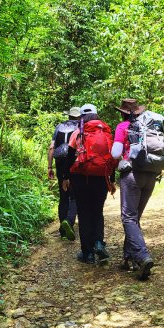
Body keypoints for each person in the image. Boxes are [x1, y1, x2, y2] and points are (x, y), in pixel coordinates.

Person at [62, 104, 116, 265]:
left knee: (84, 215)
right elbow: (111, 158)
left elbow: (69, 156)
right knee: (97, 212)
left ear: (82, 117)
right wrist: (111, 180)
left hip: (80, 178)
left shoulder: (78, 132)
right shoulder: (106, 133)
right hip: (100, 178)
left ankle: (88, 253)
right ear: (96, 115)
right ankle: (99, 242)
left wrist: (66, 177)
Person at [111, 99, 156, 281]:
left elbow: (115, 153)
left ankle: (141, 256)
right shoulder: (150, 125)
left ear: (123, 112)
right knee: (134, 217)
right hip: (151, 174)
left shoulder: (123, 126)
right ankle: (127, 257)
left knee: (128, 217)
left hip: (132, 175)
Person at [48, 107, 80, 241]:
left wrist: (50, 166)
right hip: (74, 161)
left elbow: (51, 148)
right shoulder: (80, 127)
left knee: (63, 194)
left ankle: (62, 231)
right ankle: (69, 221)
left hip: (60, 161)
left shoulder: (59, 127)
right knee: (75, 194)